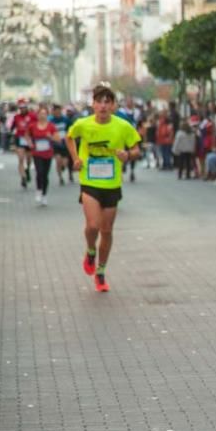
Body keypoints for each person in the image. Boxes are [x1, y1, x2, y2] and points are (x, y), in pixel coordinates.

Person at [66, 84, 142, 293]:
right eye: (99, 102)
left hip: (112, 184)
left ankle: (100, 271)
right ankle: (91, 250)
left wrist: (128, 155)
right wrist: (76, 158)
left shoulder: (123, 126)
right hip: (89, 182)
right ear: (93, 105)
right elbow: (70, 137)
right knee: (93, 225)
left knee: (106, 230)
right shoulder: (83, 124)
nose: (103, 106)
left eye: (107, 102)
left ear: (114, 106)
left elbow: (136, 149)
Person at [27, 110, 59, 206]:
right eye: (40, 114)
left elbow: (58, 139)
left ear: (47, 115)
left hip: (48, 153)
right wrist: (30, 143)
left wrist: (50, 137)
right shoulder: (32, 126)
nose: (42, 116)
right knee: (39, 172)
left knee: (45, 175)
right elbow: (27, 135)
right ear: (38, 115)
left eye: (44, 114)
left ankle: (44, 195)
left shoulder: (51, 126)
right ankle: (38, 190)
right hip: (37, 153)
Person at [12, 101, 37, 188]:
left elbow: (37, 126)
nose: (23, 110)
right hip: (20, 139)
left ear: (27, 108)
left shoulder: (32, 116)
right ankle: (23, 178)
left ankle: (27, 170)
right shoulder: (16, 117)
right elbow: (13, 128)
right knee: (21, 159)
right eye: (21, 108)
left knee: (29, 159)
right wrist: (13, 141)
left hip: (30, 139)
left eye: (24, 108)